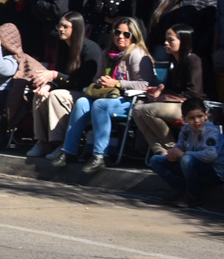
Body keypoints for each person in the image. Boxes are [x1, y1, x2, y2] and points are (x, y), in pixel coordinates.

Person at [57, 16, 155, 173]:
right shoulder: (107, 54)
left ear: (134, 36)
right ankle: (69, 151)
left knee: (99, 105)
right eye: (117, 32)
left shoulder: (137, 54)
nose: (120, 37)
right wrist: (101, 81)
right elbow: (97, 77)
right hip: (108, 95)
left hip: (132, 100)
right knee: (82, 102)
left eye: (126, 34)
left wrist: (117, 83)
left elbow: (145, 84)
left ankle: (100, 155)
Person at [27, 12, 102, 159]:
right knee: (41, 94)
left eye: (65, 26)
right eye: (59, 26)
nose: (61, 29)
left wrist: (55, 76)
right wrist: (49, 85)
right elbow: (61, 76)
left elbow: (83, 81)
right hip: (69, 90)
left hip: (86, 93)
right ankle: (43, 142)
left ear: (77, 28)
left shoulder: (89, 49)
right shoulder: (62, 47)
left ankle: (61, 143)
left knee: (57, 96)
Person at [133, 24, 206, 158]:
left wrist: (165, 97)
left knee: (149, 110)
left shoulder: (193, 60)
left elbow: (194, 93)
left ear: (183, 41)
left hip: (194, 107)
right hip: (178, 104)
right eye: (166, 39)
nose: (166, 43)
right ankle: (161, 152)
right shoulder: (174, 61)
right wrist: (160, 91)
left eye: (170, 40)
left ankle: (172, 148)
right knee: (137, 110)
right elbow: (174, 89)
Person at [148, 98, 224, 208]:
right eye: (191, 118)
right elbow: (180, 146)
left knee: (186, 160)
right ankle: (179, 190)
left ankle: (193, 195)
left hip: (214, 173)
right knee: (156, 160)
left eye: (200, 116)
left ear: (206, 115)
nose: (196, 121)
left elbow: (211, 155)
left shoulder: (211, 131)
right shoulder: (186, 130)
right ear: (184, 119)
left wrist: (183, 155)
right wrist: (172, 153)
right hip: (192, 167)